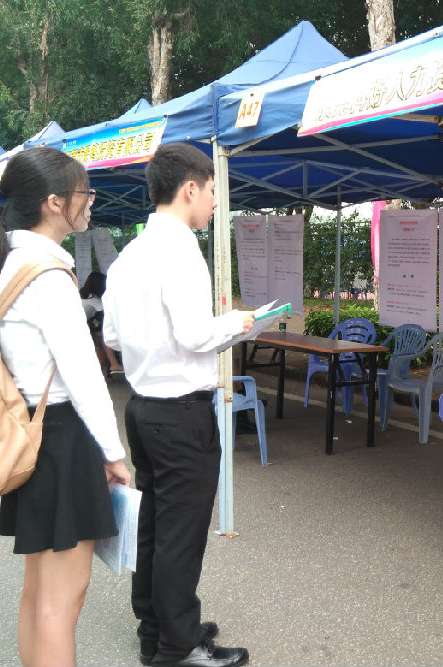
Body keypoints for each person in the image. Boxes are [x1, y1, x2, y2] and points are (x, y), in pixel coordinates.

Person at [103, 143, 255, 667]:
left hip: (143, 408)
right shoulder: (182, 249)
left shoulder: (130, 254)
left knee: (154, 526)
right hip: (181, 413)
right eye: (212, 190)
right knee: (180, 534)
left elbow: (112, 335)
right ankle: (177, 647)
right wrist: (240, 323)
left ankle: (156, 628)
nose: (215, 201)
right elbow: (194, 334)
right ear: (190, 188)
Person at [0, 147, 131, 666]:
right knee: (62, 602)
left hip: (29, 433)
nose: (90, 201)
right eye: (85, 192)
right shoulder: (47, 274)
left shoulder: (5, 263)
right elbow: (84, 377)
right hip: (62, 439)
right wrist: (114, 454)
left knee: (39, 595)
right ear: (53, 202)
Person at [78, 270, 123, 376]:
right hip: (80, 327)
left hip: (79, 324)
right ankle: (114, 365)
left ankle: (106, 374)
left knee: (101, 338)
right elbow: (105, 316)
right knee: (104, 337)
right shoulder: (94, 299)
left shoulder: (83, 293)